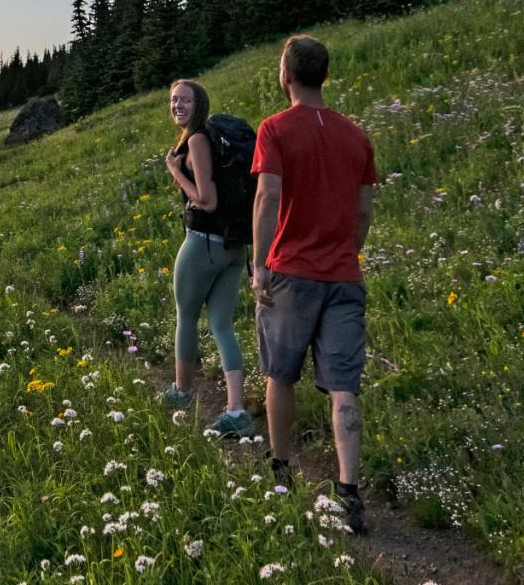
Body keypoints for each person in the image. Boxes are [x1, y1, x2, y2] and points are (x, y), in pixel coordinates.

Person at [251, 35, 376, 534]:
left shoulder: (275, 130)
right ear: (323, 75)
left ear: (286, 73)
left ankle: (281, 468)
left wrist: (260, 264)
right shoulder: (357, 137)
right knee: (343, 387)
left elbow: (267, 195)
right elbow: (364, 209)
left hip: (291, 272)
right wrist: (349, 249)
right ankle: (349, 491)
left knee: (280, 374)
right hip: (344, 274)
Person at [161, 79, 251, 438]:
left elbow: (207, 198)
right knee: (223, 326)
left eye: (184, 100)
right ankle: (237, 410)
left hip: (204, 242)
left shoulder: (198, 139)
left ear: (199, 104)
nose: (177, 105)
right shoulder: (211, 138)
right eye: (173, 100)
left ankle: (182, 391)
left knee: (186, 315)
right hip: (233, 247)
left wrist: (175, 171)